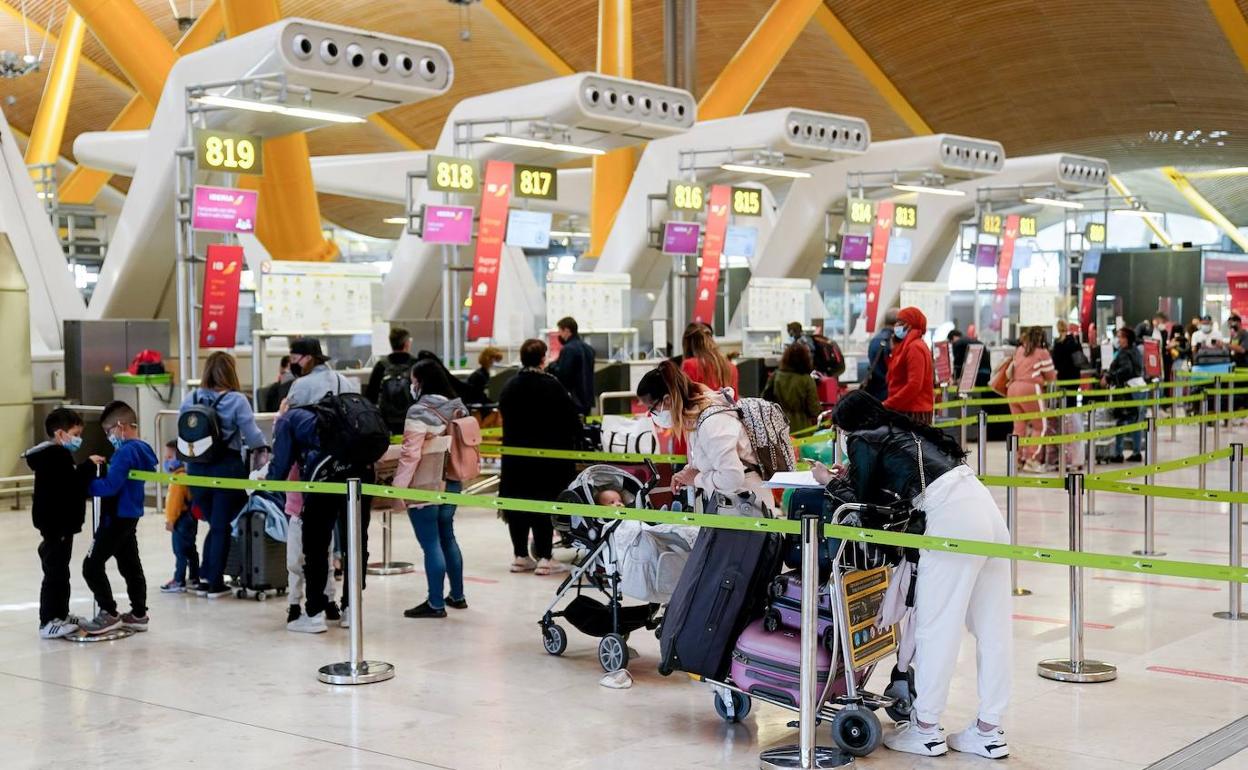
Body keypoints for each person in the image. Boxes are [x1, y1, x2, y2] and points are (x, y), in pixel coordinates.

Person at [814, 390, 1011, 759]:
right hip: (984, 508)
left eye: (839, 431)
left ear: (847, 426)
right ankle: (989, 729)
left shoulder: (861, 438)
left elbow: (865, 507)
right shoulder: (901, 430)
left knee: (937, 626)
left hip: (952, 519)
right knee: (993, 627)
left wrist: (827, 480)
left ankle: (925, 729)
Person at [635, 360, 776, 516]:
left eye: (651, 408)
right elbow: (709, 457)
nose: (651, 414)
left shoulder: (712, 422)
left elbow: (732, 477)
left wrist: (696, 479)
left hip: (749, 510)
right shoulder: (696, 418)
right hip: (735, 506)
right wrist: (688, 473)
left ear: (667, 400)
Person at [179, 351, 267, 598]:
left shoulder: (191, 397)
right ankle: (213, 582)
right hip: (226, 469)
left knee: (214, 524)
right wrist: (265, 449)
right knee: (221, 527)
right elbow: (252, 436)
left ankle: (205, 576)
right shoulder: (237, 400)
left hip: (195, 470)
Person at [499, 339, 581, 575]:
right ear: (543, 359)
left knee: (516, 505)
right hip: (547, 461)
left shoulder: (510, 386)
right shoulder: (552, 386)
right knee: (544, 504)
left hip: (515, 460)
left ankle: (520, 556)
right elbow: (571, 420)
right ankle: (545, 557)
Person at [397, 359, 471, 619]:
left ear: (422, 382)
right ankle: (458, 596)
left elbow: (410, 454)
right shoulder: (459, 407)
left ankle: (436, 603)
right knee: (448, 537)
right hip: (453, 481)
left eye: (414, 380)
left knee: (431, 544)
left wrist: (397, 490)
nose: (412, 385)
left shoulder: (419, 411)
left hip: (426, 485)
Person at [80, 401, 158, 635]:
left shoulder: (124, 452)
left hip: (115, 516)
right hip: (130, 515)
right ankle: (138, 614)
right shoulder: (142, 449)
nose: (108, 436)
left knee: (91, 565)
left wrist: (84, 485)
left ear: (121, 427)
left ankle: (109, 612)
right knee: (130, 564)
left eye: (109, 431)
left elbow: (111, 486)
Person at [265, 406, 343, 633]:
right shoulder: (322, 449)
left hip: (299, 515)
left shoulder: (294, 453)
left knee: (296, 564)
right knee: (323, 560)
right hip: (323, 510)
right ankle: (328, 601)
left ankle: (298, 606)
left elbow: (276, 467)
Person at [24, 408, 93, 638]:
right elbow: (72, 484)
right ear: (60, 433)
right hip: (57, 525)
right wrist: (89, 466)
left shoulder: (54, 456)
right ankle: (48, 621)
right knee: (55, 573)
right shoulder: (56, 456)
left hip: (59, 524)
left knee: (61, 572)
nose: (78, 438)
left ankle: (60, 614)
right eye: (75, 433)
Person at [1006, 327, 1057, 473]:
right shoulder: (1042, 353)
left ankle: (1016, 459)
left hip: (1013, 389)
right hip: (1030, 389)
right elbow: (1051, 376)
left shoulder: (1020, 350)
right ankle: (1032, 459)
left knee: (1019, 426)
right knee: (1040, 426)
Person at [159, 441, 200, 594]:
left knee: (180, 551)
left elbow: (174, 503)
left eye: (169, 457)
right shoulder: (187, 475)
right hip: (191, 518)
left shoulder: (178, 479)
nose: (166, 461)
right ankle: (194, 577)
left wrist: (170, 520)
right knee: (191, 549)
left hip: (181, 520)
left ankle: (179, 579)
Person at [883, 307, 935, 424]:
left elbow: (914, 385)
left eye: (901, 322)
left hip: (913, 411)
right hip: (907, 409)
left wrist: (889, 403)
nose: (896, 326)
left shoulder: (914, 348)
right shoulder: (907, 346)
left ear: (911, 325)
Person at [1104, 326, 1145, 462]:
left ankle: (1118, 453)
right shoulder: (1136, 351)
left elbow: (1126, 369)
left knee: (1121, 420)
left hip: (1129, 389)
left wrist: (1109, 377)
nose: (1118, 339)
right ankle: (1136, 451)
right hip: (1140, 387)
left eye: (1121, 337)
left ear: (1127, 339)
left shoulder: (1123, 353)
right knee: (1136, 421)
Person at [366, 327, 416, 434]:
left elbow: (370, 397)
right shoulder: (415, 365)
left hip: (387, 424)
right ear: (407, 344)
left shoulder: (381, 366)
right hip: (411, 422)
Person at [284, 337, 360, 408]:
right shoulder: (344, 381)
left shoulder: (301, 384)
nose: (292, 363)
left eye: (294, 359)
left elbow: (290, 416)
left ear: (308, 358)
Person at [763, 342, 821, 432]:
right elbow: (814, 409)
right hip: (802, 428)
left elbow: (765, 400)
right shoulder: (807, 380)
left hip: (778, 425)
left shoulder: (775, 376)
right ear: (805, 359)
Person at [548, 316, 595, 416]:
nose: (559, 334)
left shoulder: (568, 349)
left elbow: (563, 375)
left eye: (560, 331)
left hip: (573, 400)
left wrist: (552, 366)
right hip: (587, 399)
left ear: (567, 330)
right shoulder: (589, 349)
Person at [681, 325, 739, 392]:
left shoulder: (689, 365)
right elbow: (734, 400)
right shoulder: (731, 367)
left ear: (687, 344)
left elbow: (684, 397)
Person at [862, 307, 900, 401]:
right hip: (889, 392)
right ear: (897, 323)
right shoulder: (893, 342)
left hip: (875, 391)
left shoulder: (874, 340)